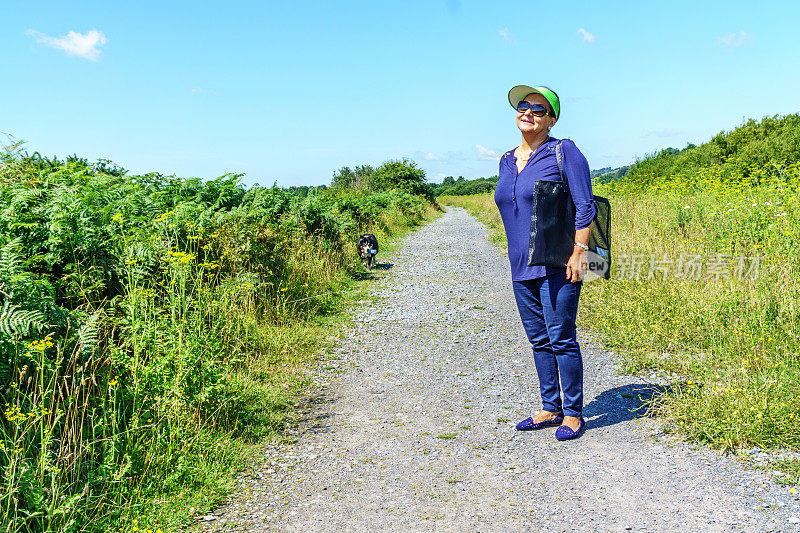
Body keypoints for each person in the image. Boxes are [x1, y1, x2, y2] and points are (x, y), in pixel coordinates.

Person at [493, 85, 596, 441]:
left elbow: (586, 205)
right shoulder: (506, 160)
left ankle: (573, 414)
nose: (528, 113)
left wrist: (580, 251)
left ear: (551, 119)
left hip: (558, 263)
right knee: (538, 339)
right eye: (523, 106)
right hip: (520, 265)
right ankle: (550, 407)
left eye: (538, 109)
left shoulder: (563, 151)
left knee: (561, 337)